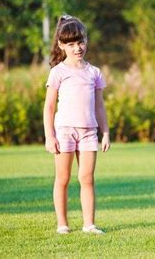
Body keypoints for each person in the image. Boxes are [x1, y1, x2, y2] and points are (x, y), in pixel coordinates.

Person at [43, 14, 110, 235]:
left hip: (89, 132)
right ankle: (62, 224)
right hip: (64, 132)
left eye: (80, 42)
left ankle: (89, 224)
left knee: (87, 178)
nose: (77, 48)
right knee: (63, 178)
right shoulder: (58, 72)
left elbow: (99, 106)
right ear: (62, 46)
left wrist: (106, 133)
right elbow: (49, 107)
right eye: (71, 44)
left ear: (86, 40)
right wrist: (49, 136)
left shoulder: (94, 73)